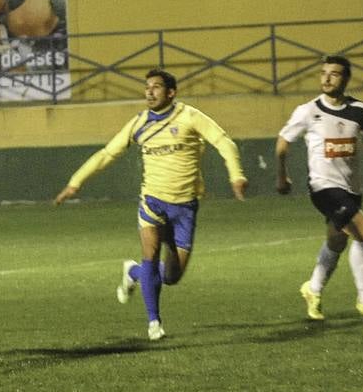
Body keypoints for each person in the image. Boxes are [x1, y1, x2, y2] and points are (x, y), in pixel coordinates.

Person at [53, 69, 248, 341]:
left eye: (156, 87)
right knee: (151, 254)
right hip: (152, 201)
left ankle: (132, 272)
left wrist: (236, 175)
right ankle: (154, 322)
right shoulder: (139, 123)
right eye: (147, 87)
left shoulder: (189, 117)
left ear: (171, 92)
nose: (150, 92)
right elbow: (108, 153)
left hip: (185, 207)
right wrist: (76, 182)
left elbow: (222, 141)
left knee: (171, 276)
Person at [276, 55, 363, 322]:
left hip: (350, 188)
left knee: (338, 239)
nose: (327, 78)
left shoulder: (359, 110)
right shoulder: (308, 111)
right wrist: (282, 177)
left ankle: (313, 288)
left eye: (334, 74)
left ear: (346, 78)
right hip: (323, 187)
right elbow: (283, 142)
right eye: (323, 73)